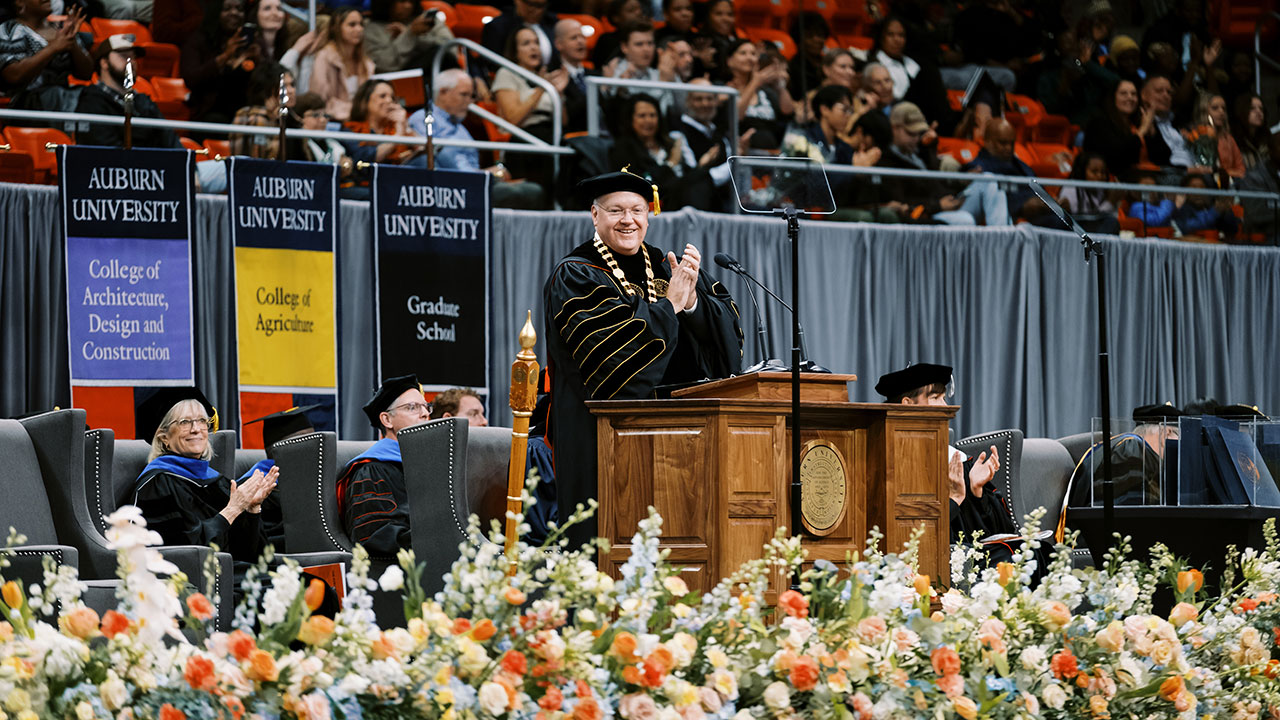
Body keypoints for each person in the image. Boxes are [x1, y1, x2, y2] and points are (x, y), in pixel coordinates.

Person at [543, 171, 743, 550]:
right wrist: (670, 306)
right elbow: (612, 358)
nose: (628, 220)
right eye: (616, 210)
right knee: (607, 546)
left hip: (685, 440)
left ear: (649, 215)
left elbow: (727, 337)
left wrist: (693, 304)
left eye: (637, 209)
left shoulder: (667, 265)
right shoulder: (576, 274)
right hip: (604, 440)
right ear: (594, 215)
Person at [876, 363, 1049, 574]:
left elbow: (1000, 532)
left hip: (966, 557)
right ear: (907, 404)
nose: (945, 406)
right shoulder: (893, 464)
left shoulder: (956, 460)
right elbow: (915, 537)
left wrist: (977, 493)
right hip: (925, 564)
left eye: (943, 398)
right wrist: (954, 500)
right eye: (935, 398)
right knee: (1013, 559)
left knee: (1035, 551)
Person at [131, 387, 280, 586]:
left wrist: (252, 509)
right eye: (185, 422)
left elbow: (254, 557)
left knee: (308, 586)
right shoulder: (157, 484)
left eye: (202, 421)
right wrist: (233, 509)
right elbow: (187, 554)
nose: (196, 429)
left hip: (234, 575)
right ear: (163, 437)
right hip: (197, 584)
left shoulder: (219, 482)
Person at [407, 69, 546, 209]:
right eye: (464, 95)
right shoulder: (423, 118)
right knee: (527, 193)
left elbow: (470, 166)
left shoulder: (461, 128)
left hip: (473, 183)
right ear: (443, 92)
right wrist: (486, 174)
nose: (469, 102)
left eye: (471, 96)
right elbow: (436, 160)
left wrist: (490, 173)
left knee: (531, 188)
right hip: (451, 189)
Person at [336, 374, 430, 556]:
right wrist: (438, 538)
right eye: (412, 408)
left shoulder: (431, 465)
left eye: (426, 407)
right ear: (387, 420)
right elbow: (374, 536)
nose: (425, 413)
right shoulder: (370, 470)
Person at [877, 102, 1005, 226]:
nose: (916, 138)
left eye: (918, 133)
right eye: (911, 133)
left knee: (989, 179)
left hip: (950, 203)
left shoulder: (920, 151)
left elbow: (937, 182)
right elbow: (900, 202)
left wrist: (961, 181)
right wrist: (937, 205)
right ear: (894, 128)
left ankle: (1004, 239)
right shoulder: (885, 160)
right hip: (928, 215)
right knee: (965, 220)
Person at [608, 93, 718, 212]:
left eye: (652, 115)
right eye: (642, 116)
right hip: (654, 203)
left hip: (683, 197)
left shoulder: (669, 143)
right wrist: (671, 163)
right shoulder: (623, 148)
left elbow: (686, 175)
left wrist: (701, 165)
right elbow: (640, 183)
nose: (648, 120)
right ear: (630, 119)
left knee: (703, 176)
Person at [1065, 403, 1181, 509]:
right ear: (1166, 433)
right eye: (1179, 437)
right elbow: (1129, 511)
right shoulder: (1131, 451)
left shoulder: (1125, 447)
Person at [75, 34, 181, 149]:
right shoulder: (91, 102)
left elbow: (171, 142)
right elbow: (104, 151)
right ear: (104, 63)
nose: (131, 62)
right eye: (124, 56)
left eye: (133, 57)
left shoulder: (143, 102)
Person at [492, 26, 564, 189]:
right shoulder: (507, 73)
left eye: (536, 42)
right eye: (526, 43)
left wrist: (558, 94)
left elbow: (563, 120)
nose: (533, 47)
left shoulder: (546, 76)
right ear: (515, 51)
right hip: (524, 138)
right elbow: (513, 118)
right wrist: (542, 88)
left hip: (551, 133)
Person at [0, 0, 92, 108]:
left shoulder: (61, 29)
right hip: (27, 104)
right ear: (19, 2)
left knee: (94, 95)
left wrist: (72, 41)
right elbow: (14, 75)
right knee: (55, 94)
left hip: (64, 98)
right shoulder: (9, 30)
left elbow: (86, 74)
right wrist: (53, 48)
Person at [181, 0, 257, 124]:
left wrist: (258, 61)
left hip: (244, 112)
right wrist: (225, 56)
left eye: (239, 9)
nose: (234, 13)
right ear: (216, 12)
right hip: (208, 112)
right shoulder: (198, 40)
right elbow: (191, 78)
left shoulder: (249, 43)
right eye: (227, 9)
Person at [721, 39, 793, 151]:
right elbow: (736, 116)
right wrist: (755, 83)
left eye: (753, 54)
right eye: (743, 53)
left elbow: (788, 111)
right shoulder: (724, 88)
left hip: (770, 155)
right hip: (740, 155)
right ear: (729, 60)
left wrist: (780, 86)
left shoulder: (764, 92)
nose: (749, 58)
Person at [309, 6, 374, 121]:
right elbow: (319, 100)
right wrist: (355, 111)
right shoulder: (324, 57)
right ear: (336, 28)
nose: (359, 29)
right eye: (352, 25)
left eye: (361, 24)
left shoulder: (367, 63)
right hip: (332, 122)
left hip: (361, 120)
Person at [1082, 79, 1152, 180]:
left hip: (1144, 173)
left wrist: (1152, 132)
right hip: (1112, 178)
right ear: (1113, 98)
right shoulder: (1099, 123)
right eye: (1124, 93)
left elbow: (1163, 157)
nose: (1130, 98)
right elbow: (1117, 156)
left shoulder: (1136, 123)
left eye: (1134, 94)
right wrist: (1142, 130)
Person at [343, 78, 421, 167]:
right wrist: (398, 137)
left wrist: (405, 126)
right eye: (382, 96)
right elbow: (364, 159)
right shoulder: (350, 130)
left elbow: (424, 149)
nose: (389, 100)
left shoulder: (396, 127)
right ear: (365, 102)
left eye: (392, 97)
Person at [230, 62, 300, 159]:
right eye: (284, 86)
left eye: (292, 85)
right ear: (268, 89)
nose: (292, 91)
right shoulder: (255, 117)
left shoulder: (290, 117)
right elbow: (259, 163)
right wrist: (271, 120)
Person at [365, 0, 454, 74]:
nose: (408, 6)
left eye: (411, 1)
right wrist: (409, 35)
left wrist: (415, 36)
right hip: (399, 81)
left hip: (438, 75)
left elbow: (451, 48)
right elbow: (386, 65)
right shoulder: (371, 29)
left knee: (440, 55)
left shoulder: (426, 20)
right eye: (402, 1)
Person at [1052, 152, 1121, 235]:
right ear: (1082, 171)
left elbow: (1109, 218)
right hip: (1076, 230)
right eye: (1094, 172)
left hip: (1097, 232)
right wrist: (1109, 202)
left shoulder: (1105, 189)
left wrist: (1113, 201)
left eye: (1103, 172)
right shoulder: (1071, 187)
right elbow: (1088, 218)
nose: (1099, 176)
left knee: (1112, 223)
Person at [481, 0, 558, 70]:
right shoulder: (498, 26)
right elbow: (490, 64)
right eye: (528, 3)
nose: (532, 9)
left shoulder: (553, 24)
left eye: (538, 5)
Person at [552, 18, 594, 134]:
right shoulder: (554, 75)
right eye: (574, 38)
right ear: (559, 44)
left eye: (582, 37)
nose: (580, 42)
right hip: (575, 139)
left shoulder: (595, 75)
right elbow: (569, 117)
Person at [1173, 172, 1239, 239]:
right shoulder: (1182, 209)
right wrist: (1215, 211)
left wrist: (1226, 211)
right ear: (1185, 192)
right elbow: (1190, 227)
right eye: (1193, 187)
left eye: (1202, 187)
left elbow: (1232, 229)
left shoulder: (1209, 207)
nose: (1198, 191)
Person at [592, 0, 648, 67]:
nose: (638, 12)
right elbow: (600, 68)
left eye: (639, 8)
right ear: (616, 17)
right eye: (631, 10)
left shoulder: (651, 36)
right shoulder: (606, 40)